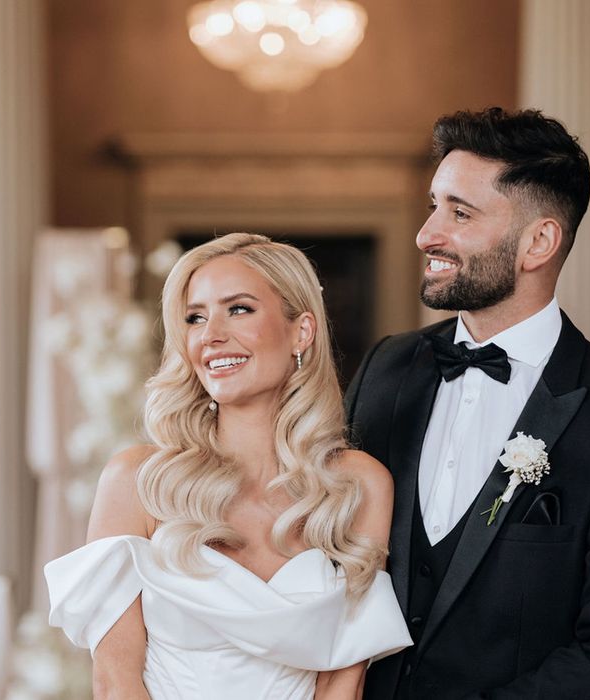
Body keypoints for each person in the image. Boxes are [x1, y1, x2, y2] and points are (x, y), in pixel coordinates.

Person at [345, 108, 590, 699]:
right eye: (433, 205)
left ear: (538, 242)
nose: (427, 234)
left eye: (459, 212)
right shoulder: (385, 370)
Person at [45, 232, 412, 700]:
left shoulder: (357, 484)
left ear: (301, 330)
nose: (211, 335)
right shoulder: (137, 482)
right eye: (195, 318)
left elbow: (344, 681)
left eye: (239, 309)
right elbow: (115, 680)